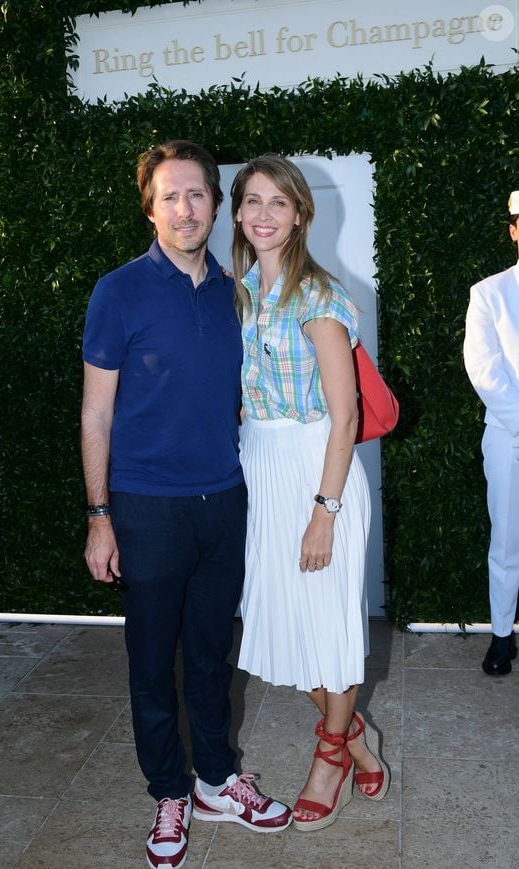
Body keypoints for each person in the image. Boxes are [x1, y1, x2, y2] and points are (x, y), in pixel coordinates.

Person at [81, 140, 291, 869]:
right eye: (170, 195)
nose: (185, 207)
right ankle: (168, 789)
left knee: (209, 655)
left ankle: (214, 778)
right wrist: (99, 514)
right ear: (150, 206)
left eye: (197, 194)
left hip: (223, 501)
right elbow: (96, 415)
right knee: (150, 661)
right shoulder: (118, 291)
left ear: (214, 202)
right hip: (145, 508)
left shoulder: (234, 291)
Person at [230, 154, 390, 832]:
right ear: (237, 212)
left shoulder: (318, 295)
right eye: (253, 200)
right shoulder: (237, 292)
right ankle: (355, 735)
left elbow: (346, 414)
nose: (264, 214)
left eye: (279, 202)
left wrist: (324, 514)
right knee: (290, 629)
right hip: (262, 468)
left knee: (326, 625)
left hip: (317, 470)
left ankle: (330, 756)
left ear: (300, 214)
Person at [463, 190, 519, 676]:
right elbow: (484, 371)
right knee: (507, 541)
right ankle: (503, 636)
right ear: (514, 230)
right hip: (509, 435)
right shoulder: (490, 293)